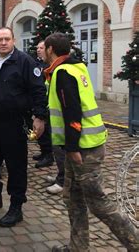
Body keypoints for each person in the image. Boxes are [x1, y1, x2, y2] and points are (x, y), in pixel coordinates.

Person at [43, 33, 139, 252]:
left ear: (50, 49)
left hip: (83, 148)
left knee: (98, 202)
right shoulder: (77, 67)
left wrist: (73, 147)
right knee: (73, 197)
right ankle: (78, 247)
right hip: (83, 145)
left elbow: (72, 111)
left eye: (44, 48)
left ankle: (135, 243)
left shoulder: (63, 72)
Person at [0, 27, 48, 227]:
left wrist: (40, 117)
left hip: (14, 124)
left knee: (16, 167)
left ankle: (16, 207)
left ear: (13, 40)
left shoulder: (25, 62)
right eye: (0, 39)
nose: (3, 42)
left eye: (7, 39)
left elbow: (38, 90)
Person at [32, 40, 55, 169]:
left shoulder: (49, 64)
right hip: (39, 102)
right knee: (39, 130)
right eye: (37, 48)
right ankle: (43, 152)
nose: (39, 50)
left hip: (47, 103)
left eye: (41, 48)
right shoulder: (36, 63)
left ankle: (48, 156)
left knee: (46, 131)